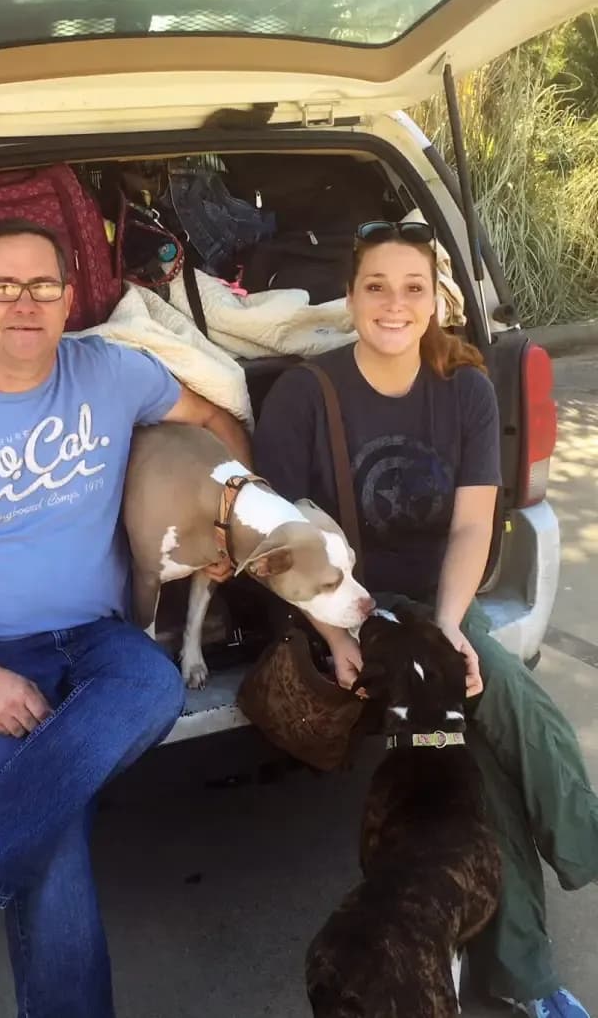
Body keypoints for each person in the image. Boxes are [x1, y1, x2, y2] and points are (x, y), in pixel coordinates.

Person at [0, 218, 251, 1017]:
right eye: (3, 286)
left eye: (44, 286)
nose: (24, 303)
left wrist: (236, 518)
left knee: (152, 687)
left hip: (101, 635)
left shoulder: (111, 372)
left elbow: (213, 423)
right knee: (54, 844)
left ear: (71, 300)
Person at [252, 219, 598, 1018]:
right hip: (351, 604)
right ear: (350, 296)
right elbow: (275, 546)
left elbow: (476, 526)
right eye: (377, 286)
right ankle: (576, 855)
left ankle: (529, 980)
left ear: (438, 299)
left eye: (414, 288)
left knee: (477, 757)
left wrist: (448, 629)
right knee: (505, 693)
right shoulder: (310, 394)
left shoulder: (466, 390)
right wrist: (337, 638)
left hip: (435, 598)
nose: (395, 304)